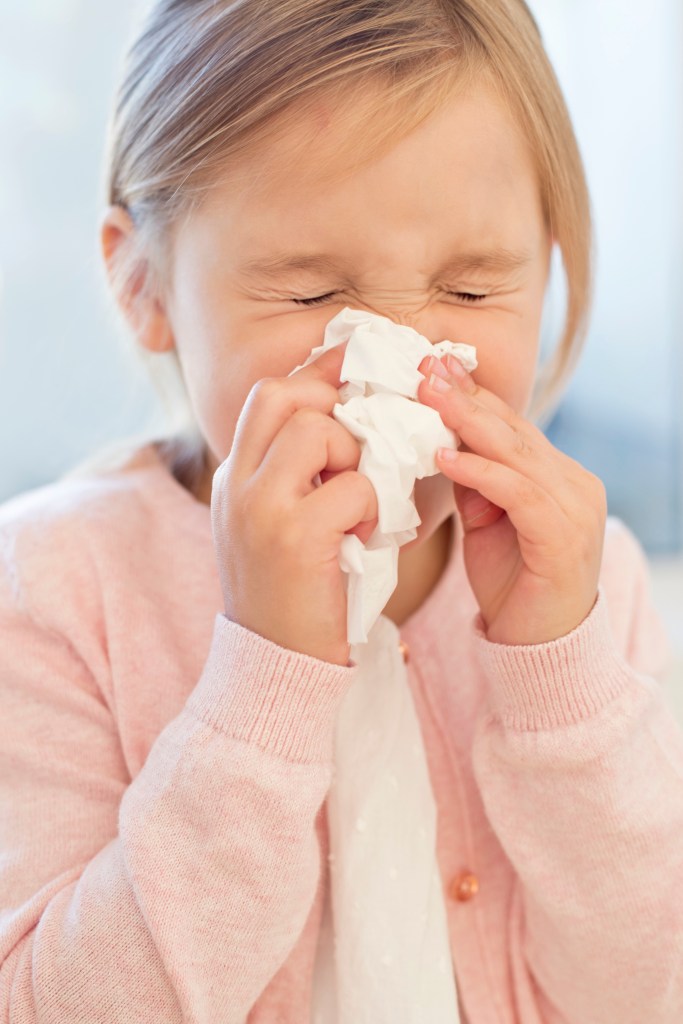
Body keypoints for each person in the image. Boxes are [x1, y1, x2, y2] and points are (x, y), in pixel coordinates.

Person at [0, 0, 681, 1021]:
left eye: (469, 286)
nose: (398, 364)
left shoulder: (591, 586)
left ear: (542, 266)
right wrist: (262, 675)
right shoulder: (54, 591)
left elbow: (639, 992)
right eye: (313, 295)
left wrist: (559, 680)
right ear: (141, 280)